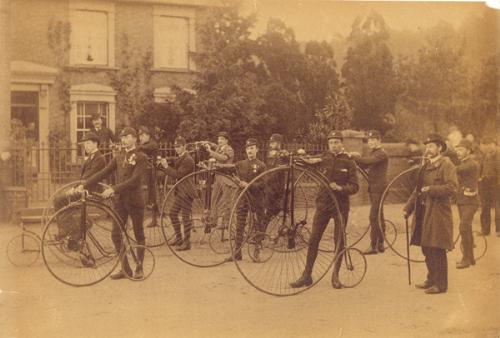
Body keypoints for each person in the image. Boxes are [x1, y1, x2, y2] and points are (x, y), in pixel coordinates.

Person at [76, 127, 148, 280]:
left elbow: (135, 181)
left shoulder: (141, 157)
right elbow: (103, 173)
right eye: (122, 137)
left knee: (138, 234)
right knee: (116, 235)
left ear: (135, 138)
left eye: (127, 137)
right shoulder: (119, 156)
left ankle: (139, 267)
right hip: (120, 202)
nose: (123, 140)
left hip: (135, 201)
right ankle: (126, 268)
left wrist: (113, 189)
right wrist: (85, 184)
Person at [290, 131, 359, 289]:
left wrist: (341, 188)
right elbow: (309, 163)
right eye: (331, 142)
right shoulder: (324, 158)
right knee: (314, 239)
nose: (333, 145)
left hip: (340, 206)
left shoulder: (348, 162)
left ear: (341, 143)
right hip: (323, 205)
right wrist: (300, 155)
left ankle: (335, 276)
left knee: (339, 241)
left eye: (336, 142)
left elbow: (355, 187)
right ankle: (306, 276)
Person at [404, 133, 457, 294]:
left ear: (439, 148)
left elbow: (452, 188)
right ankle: (431, 279)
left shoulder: (446, 164)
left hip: (438, 213)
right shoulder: (425, 166)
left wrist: (431, 190)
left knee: (437, 247)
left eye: (431, 146)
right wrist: (408, 208)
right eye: (427, 146)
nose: (428, 149)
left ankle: (440, 285)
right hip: (424, 212)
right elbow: (417, 190)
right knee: (426, 247)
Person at [53, 132, 106, 266]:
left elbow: (90, 176)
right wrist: (75, 187)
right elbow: (82, 176)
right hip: (83, 188)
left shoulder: (100, 159)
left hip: (91, 190)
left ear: (95, 144)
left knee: (60, 200)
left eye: (88, 143)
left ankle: (66, 232)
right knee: (59, 200)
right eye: (85, 144)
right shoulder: (89, 158)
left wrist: (77, 188)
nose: (86, 146)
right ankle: (66, 230)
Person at [227, 138, 267, 261]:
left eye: (252, 148)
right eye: (248, 148)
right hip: (243, 199)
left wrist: (248, 185)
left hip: (256, 200)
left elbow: (263, 184)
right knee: (239, 226)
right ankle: (237, 253)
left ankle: (257, 251)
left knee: (257, 225)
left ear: (257, 150)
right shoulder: (240, 164)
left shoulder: (261, 165)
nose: (249, 150)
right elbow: (229, 169)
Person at [351, 130, 389, 255]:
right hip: (375, 188)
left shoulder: (381, 154)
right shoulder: (374, 153)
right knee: (379, 215)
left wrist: (355, 157)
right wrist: (357, 161)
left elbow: (367, 162)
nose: (371, 142)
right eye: (369, 140)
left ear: (379, 141)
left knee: (374, 216)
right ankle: (381, 244)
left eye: (374, 140)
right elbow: (366, 165)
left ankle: (373, 246)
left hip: (379, 188)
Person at [158, 136, 195, 251]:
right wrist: (163, 160)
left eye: (179, 147)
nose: (176, 149)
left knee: (185, 217)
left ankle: (187, 242)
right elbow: (174, 159)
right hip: (180, 192)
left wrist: (166, 166)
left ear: (184, 146)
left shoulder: (188, 160)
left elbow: (178, 174)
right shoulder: (181, 157)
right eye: (175, 147)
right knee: (173, 213)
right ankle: (179, 238)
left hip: (187, 192)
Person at [454, 139, 480, 269]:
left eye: (461, 149)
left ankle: (465, 258)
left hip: (471, 202)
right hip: (462, 201)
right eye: (457, 149)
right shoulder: (463, 164)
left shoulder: (471, 164)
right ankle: (470, 258)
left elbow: (458, 170)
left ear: (468, 151)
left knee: (463, 227)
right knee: (467, 228)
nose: (458, 152)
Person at [261, 133, 288, 232]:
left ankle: (261, 230)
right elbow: (267, 168)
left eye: (273, 142)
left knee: (273, 208)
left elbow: (278, 170)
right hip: (269, 185)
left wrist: (266, 179)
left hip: (277, 186)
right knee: (268, 208)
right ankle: (261, 229)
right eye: (271, 142)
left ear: (279, 143)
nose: (271, 145)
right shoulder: (269, 154)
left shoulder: (282, 154)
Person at [137, 126, 160, 227]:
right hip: (148, 173)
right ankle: (153, 218)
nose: (140, 138)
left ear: (148, 136)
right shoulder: (144, 145)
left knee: (152, 195)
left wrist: (135, 146)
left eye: (142, 135)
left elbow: (145, 148)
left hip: (154, 173)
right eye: (139, 136)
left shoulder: (153, 144)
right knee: (149, 195)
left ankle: (154, 219)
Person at [478, 138, 499, 236]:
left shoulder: (498, 154)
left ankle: (499, 230)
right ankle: (485, 230)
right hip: (485, 183)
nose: (488, 147)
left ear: (494, 144)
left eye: (490, 144)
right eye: (486, 144)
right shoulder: (484, 155)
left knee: (498, 206)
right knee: (485, 206)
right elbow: (481, 168)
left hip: (497, 183)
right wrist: (480, 178)